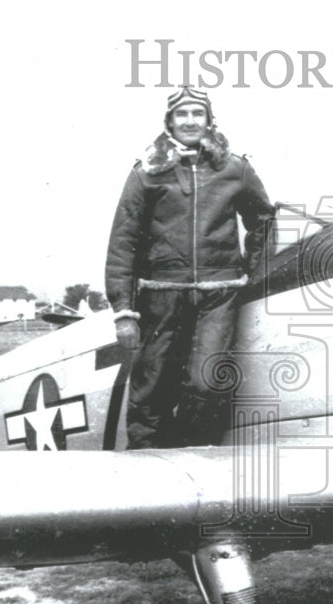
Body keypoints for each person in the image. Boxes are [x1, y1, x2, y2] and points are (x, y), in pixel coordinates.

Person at [105, 87, 275, 449]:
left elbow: (263, 220)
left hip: (218, 297)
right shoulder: (146, 173)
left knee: (207, 382)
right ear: (169, 122)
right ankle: (145, 464)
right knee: (152, 385)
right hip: (160, 299)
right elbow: (123, 243)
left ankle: (198, 462)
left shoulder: (235, 169)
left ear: (209, 120)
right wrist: (123, 310)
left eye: (197, 113)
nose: (190, 121)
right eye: (181, 114)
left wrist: (250, 272)